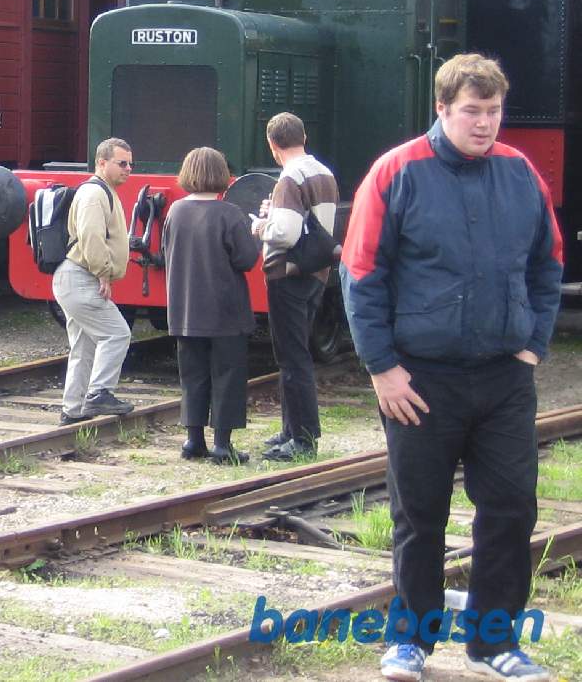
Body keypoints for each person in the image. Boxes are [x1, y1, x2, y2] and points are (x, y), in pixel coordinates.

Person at [342, 53, 562, 682]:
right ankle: (410, 640)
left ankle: (495, 644)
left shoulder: (520, 173)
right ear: (442, 109)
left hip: (503, 377)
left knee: (513, 508)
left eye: (494, 111)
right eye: (473, 111)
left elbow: (548, 263)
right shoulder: (396, 171)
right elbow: (361, 274)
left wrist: (533, 345)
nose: (485, 123)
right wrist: (382, 368)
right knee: (419, 512)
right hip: (420, 380)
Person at [161, 147, 260, 464]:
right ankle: (222, 445)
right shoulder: (229, 214)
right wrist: (256, 234)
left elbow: (167, 255)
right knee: (227, 374)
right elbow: (245, 259)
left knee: (192, 374)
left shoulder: (175, 211)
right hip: (225, 311)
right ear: (222, 176)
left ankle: (193, 442)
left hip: (185, 309)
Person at [250, 111, 339, 462]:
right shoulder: (322, 172)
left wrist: (261, 226)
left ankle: (302, 438)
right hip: (313, 271)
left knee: (291, 357)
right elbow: (310, 222)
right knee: (296, 353)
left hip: (287, 273)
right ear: (303, 137)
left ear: (273, 145)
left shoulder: (290, 177)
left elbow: (285, 233)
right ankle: (291, 430)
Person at [52, 137, 137, 424]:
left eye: (130, 164)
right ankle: (99, 393)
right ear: (102, 162)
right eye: (121, 163)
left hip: (75, 277)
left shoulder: (103, 192)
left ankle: (72, 409)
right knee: (117, 334)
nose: (128, 169)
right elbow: (91, 236)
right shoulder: (94, 194)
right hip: (80, 276)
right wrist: (103, 272)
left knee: (84, 346)